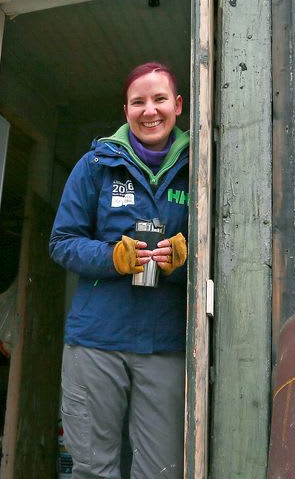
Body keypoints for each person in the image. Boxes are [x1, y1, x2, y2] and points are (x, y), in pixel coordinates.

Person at [49, 62, 190, 478]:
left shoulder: (200, 166)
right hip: (97, 339)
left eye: (159, 99)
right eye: (138, 102)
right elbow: (62, 242)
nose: (150, 111)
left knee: (162, 471)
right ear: (126, 110)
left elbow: (227, 251)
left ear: (178, 105)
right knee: (93, 468)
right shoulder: (96, 165)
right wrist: (113, 258)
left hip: (166, 340)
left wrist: (183, 263)